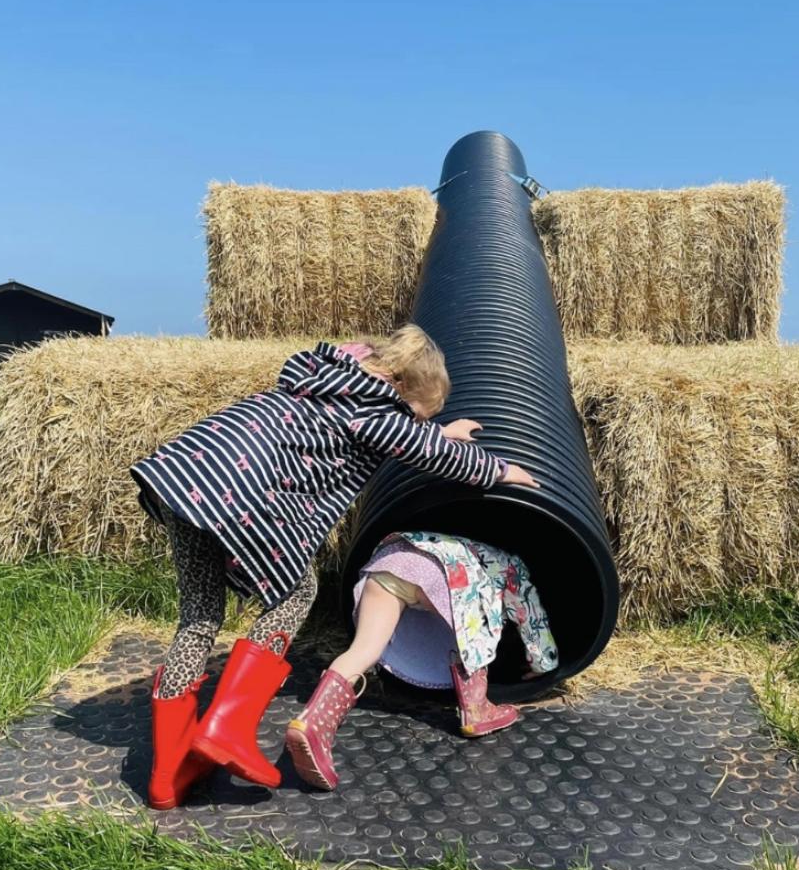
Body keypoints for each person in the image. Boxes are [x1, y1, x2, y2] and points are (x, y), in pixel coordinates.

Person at [130, 325, 538, 808]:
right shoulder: (377, 408)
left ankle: (168, 776)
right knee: (295, 591)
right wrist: (501, 470)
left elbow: (402, 436)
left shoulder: (333, 377)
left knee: (198, 619)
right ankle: (228, 728)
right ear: (402, 388)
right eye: (416, 416)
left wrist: (434, 430)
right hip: (238, 487)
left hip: (188, 475)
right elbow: (427, 451)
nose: (412, 425)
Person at [286, 530, 558, 791]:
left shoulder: (456, 542)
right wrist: (542, 662)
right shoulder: (510, 565)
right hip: (441, 570)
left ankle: (312, 725)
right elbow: (528, 611)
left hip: (389, 562)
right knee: (479, 617)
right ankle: (476, 709)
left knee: (364, 649)